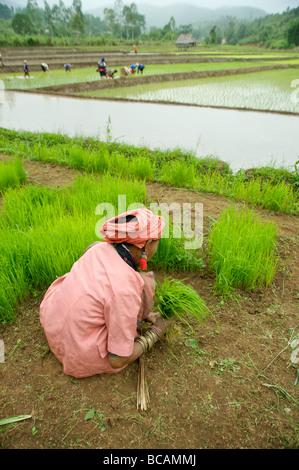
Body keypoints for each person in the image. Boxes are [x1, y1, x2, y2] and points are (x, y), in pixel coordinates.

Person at [39, 209, 174, 379]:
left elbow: (100, 292)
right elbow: (117, 359)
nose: (157, 246)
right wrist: (156, 332)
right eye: (156, 242)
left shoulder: (98, 248)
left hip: (54, 322)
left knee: (141, 284)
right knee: (142, 285)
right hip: (77, 350)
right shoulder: (124, 288)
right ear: (146, 245)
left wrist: (147, 317)